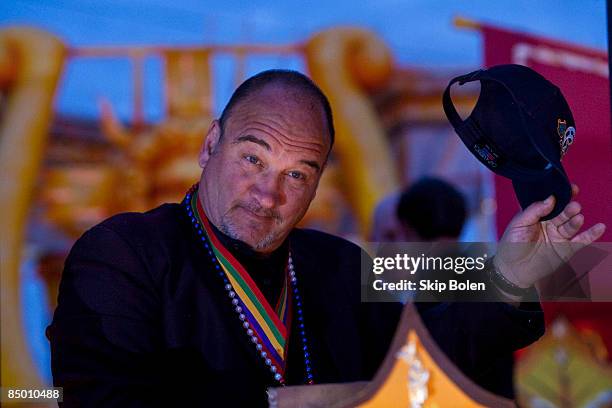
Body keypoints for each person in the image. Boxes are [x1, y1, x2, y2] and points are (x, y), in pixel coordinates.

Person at [47, 70, 605, 407]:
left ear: (317, 185)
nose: (269, 195)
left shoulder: (339, 264)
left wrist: (507, 277)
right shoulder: (120, 254)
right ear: (209, 145)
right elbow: (98, 399)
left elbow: (438, 341)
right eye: (252, 158)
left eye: (298, 173)